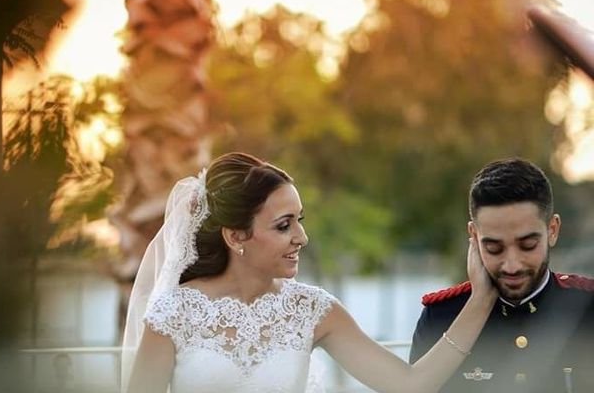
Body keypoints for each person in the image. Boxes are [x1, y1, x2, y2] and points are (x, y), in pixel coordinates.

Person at [123, 152, 497, 393]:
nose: (302, 237)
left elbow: (411, 384)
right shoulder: (175, 313)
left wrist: (481, 298)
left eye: (298, 221)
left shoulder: (312, 310)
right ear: (236, 236)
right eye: (283, 225)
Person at [410, 158, 594, 393]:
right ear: (474, 236)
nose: (512, 265)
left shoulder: (588, 308)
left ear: (552, 230)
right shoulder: (441, 318)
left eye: (527, 245)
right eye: (494, 248)